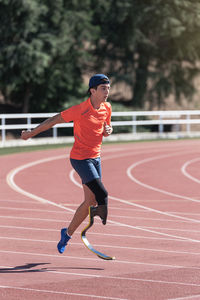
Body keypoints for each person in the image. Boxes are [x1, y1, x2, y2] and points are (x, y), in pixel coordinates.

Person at [21, 74, 113, 254]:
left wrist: (109, 130)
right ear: (92, 90)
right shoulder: (80, 110)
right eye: (103, 88)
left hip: (96, 157)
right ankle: (100, 213)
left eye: (108, 88)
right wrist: (31, 133)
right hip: (80, 158)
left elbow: (106, 128)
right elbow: (53, 121)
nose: (107, 92)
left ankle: (67, 233)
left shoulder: (107, 108)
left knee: (90, 200)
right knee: (101, 193)